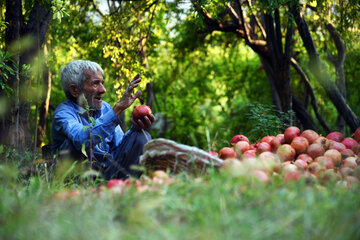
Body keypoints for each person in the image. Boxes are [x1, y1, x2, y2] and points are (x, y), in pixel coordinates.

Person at [52, 60, 155, 180]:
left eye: (102, 83)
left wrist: (136, 129)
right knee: (73, 144)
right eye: (95, 84)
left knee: (140, 136)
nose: (103, 90)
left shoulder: (105, 108)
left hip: (108, 173)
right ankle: (82, 191)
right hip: (79, 176)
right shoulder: (63, 113)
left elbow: (121, 145)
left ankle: (125, 188)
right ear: (75, 90)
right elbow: (82, 140)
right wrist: (117, 110)